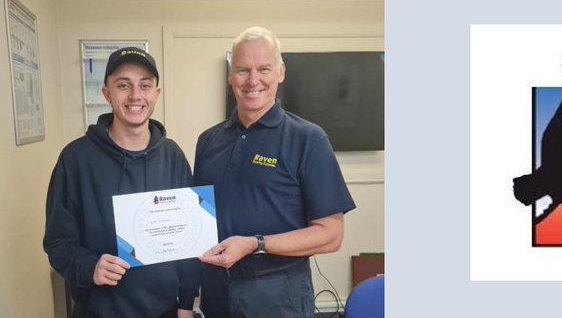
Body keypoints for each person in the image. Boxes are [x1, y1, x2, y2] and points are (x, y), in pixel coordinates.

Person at [194, 27, 355, 317]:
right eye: (243, 70)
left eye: (264, 69)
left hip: (278, 296)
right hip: (216, 292)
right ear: (231, 76)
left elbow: (331, 235)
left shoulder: (308, 139)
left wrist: (255, 244)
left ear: (280, 72)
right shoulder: (208, 141)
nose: (253, 80)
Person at [44, 47, 197, 317]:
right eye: (123, 85)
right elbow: (57, 243)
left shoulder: (173, 156)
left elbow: (190, 239)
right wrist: (90, 267)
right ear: (107, 93)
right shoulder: (76, 159)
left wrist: (186, 303)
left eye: (145, 86)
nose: (135, 95)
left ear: (156, 93)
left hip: (164, 310)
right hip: (98, 312)